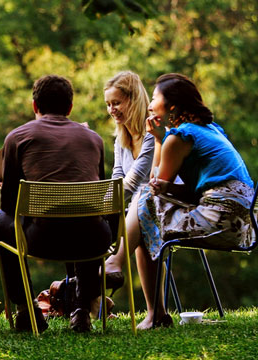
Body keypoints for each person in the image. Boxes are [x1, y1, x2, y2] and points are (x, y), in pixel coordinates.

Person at [128, 73, 256, 329]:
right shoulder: (209, 129)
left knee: (142, 198)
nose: (150, 105)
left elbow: (156, 184)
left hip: (218, 220)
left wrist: (157, 139)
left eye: (154, 98)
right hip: (243, 225)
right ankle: (153, 312)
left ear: (172, 106)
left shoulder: (180, 136)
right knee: (145, 211)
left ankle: (117, 265)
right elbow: (186, 190)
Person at [0, 74, 111, 333]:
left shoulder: (18, 137)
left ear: (35, 106)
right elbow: (97, 196)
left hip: (43, 239)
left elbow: (10, 206)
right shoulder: (94, 139)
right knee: (91, 218)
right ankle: (82, 309)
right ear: (70, 108)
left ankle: (27, 309)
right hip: (94, 240)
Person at [98, 71, 156, 289]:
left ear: (133, 100)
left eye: (116, 103)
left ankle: (113, 264)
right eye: (108, 104)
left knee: (104, 223)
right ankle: (86, 300)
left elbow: (133, 182)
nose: (111, 110)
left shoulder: (152, 134)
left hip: (154, 206)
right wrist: (101, 206)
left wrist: (103, 207)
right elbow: (117, 177)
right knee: (92, 229)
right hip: (132, 209)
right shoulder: (121, 138)